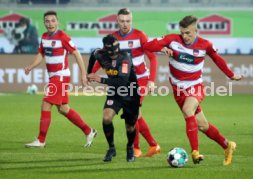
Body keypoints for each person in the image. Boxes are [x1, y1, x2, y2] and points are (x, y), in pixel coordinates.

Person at [144, 15, 243, 166]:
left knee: (188, 110)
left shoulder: (205, 45)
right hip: (178, 91)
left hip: (195, 87)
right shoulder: (172, 40)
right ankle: (227, 145)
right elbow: (148, 46)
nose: (185, 36)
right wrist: (162, 47)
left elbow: (218, 59)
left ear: (196, 31)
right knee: (203, 125)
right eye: (182, 32)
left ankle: (195, 152)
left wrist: (231, 75)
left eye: (188, 33)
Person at [91, 8, 160, 158]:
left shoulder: (140, 36)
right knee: (136, 115)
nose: (125, 24)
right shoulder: (113, 38)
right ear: (117, 20)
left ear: (131, 20)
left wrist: (151, 81)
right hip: (121, 82)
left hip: (139, 79)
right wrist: (92, 73)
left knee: (134, 113)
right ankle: (152, 145)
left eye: (128, 21)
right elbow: (103, 57)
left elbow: (153, 58)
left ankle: (137, 148)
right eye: (122, 21)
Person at [24, 10, 97, 148]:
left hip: (61, 76)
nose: (50, 23)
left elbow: (77, 54)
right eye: (47, 21)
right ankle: (89, 131)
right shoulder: (44, 37)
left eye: (53, 21)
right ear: (44, 23)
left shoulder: (63, 36)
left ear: (58, 22)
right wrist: (31, 66)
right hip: (55, 77)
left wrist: (83, 74)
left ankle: (41, 140)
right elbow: (41, 54)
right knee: (63, 109)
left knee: (46, 103)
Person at [87, 34, 140, 162]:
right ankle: (111, 148)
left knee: (130, 127)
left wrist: (101, 79)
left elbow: (122, 81)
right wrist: (89, 72)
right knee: (106, 118)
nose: (115, 54)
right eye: (112, 52)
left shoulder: (125, 58)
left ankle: (130, 147)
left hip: (130, 93)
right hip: (114, 92)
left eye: (116, 50)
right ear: (106, 50)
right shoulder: (100, 54)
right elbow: (92, 56)